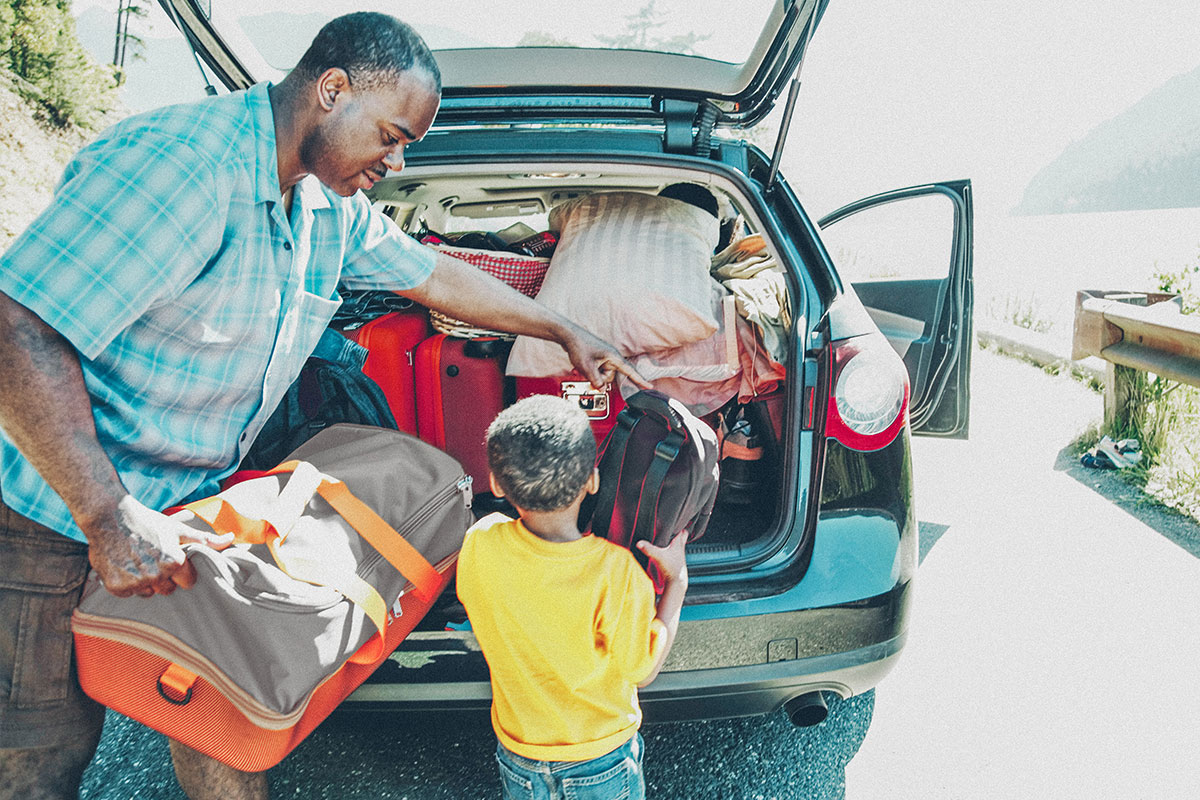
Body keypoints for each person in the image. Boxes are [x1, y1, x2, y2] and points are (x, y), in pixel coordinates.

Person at [0, 12, 647, 800]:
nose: (396, 160)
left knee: (223, 717)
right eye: (390, 135)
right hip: (50, 514)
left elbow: (431, 275)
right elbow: (18, 324)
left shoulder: (322, 205)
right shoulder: (183, 166)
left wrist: (563, 327)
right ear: (331, 90)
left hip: (190, 508)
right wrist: (106, 512)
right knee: (36, 755)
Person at [456, 395, 688, 800]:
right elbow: (642, 670)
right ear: (592, 481)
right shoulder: (615, 573)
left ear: (495, 483)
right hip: (601, 757)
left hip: (519, 753)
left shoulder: (480, 543)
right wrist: (678, 582)